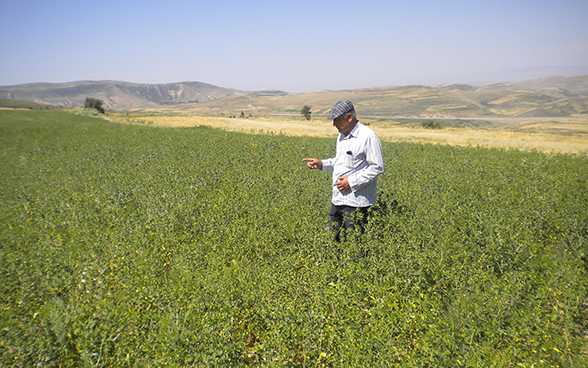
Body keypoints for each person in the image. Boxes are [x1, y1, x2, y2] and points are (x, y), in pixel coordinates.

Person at [302, 100, 385, 241]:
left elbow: (377, 167)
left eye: (337, 120)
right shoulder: (341, 136)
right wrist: (321, 164)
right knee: (333, 241)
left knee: (355, 245)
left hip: (356, 204)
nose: (334, 124)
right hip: (338, 200)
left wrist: (351, 182)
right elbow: (339, 161)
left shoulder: (368, 136)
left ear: (350, 117)